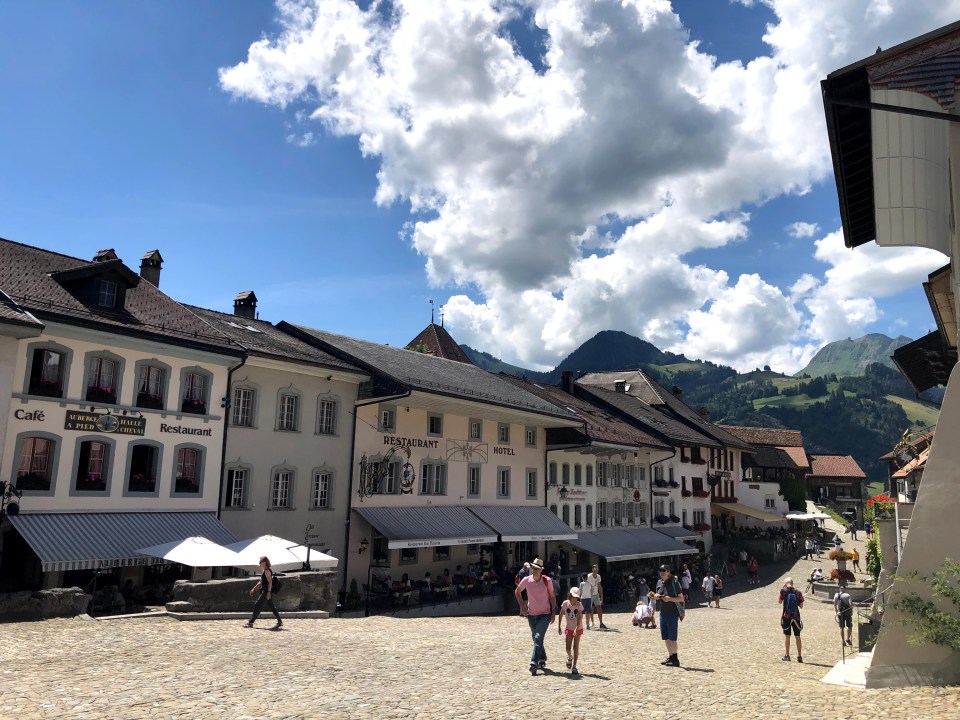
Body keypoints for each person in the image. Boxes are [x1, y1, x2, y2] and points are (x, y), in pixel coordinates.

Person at [515, 557, 557, 675]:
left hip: (545, 614)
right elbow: (517, 591)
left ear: (541, 570)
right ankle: (542, 657)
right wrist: (522, 606)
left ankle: (534, 663)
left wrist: (553, 612)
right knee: (536, 638)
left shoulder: (547, 581)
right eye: (533, 568)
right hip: (531, 614)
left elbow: (552, 597)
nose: (535, 570)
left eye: (537, 569)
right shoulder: (527, 580)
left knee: (538, 637)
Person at [655, 564, 684, 667]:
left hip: (672, 613)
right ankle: (670, 656)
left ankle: (675, 659)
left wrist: (669, 599)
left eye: (664, 570)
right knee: (666, 637)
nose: (662, 572)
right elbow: (659, 594)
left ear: (668, 572)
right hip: (663, 613)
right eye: (660, 570)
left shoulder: (674, 583)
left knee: (672, 637)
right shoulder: (659, 582)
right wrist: (656, 596)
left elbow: (681, 598)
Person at [245, 556, 282, 630]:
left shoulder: (267, 571)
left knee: (257, 605)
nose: (260, 564)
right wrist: (254, 589)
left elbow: (270, 582)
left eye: (260, 563)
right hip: (265, 590)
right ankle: (279, 621)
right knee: (271, 606)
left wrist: (268, 592)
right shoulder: (265, 571)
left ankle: (251, 622)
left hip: (266, 591)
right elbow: (260, 582)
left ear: (264, 563)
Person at [558, 586, 584, 675]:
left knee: (575, 647)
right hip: (569, 628)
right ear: (570, 596)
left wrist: (576, 628)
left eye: (576, 598)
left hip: (578, 628)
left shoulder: (579, 605)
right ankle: (570, 657)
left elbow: (580, 617)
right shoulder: (565, 604)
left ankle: (574, 666)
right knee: (568, 648)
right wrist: (559, 626)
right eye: (573, 597)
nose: (574, 599)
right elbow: (561, 614)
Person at [778, 578, 804, 662]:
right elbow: (801, 606)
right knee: (797, 636)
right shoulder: (798, 592)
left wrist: (783, 589)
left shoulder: (783, 591)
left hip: (786, 616)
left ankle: (787, 655)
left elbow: (779, 601)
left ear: (785, 583)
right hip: (796, 616)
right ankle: (799, 656)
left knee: (787, 636)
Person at [586, 564, 606, 629]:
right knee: (591, 609)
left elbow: (599, 586)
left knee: (599, 608)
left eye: (597, 569)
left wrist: (601, 596)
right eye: (595, 569)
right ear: (592, 569)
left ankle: (601, 622)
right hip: (590, 595)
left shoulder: (598, 576)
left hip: (596, 594)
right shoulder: (589, 576)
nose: (596, 570)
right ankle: (591, 622)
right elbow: (586, 584)